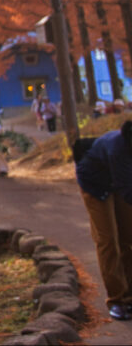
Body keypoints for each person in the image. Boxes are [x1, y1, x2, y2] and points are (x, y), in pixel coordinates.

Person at [75, 121, 132, 320]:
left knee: (128, 238)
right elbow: (128, 190)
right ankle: (117, 300)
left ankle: (130, 294)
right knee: (108, 241)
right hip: (95, 185)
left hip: (117, 183)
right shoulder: (118, 149)